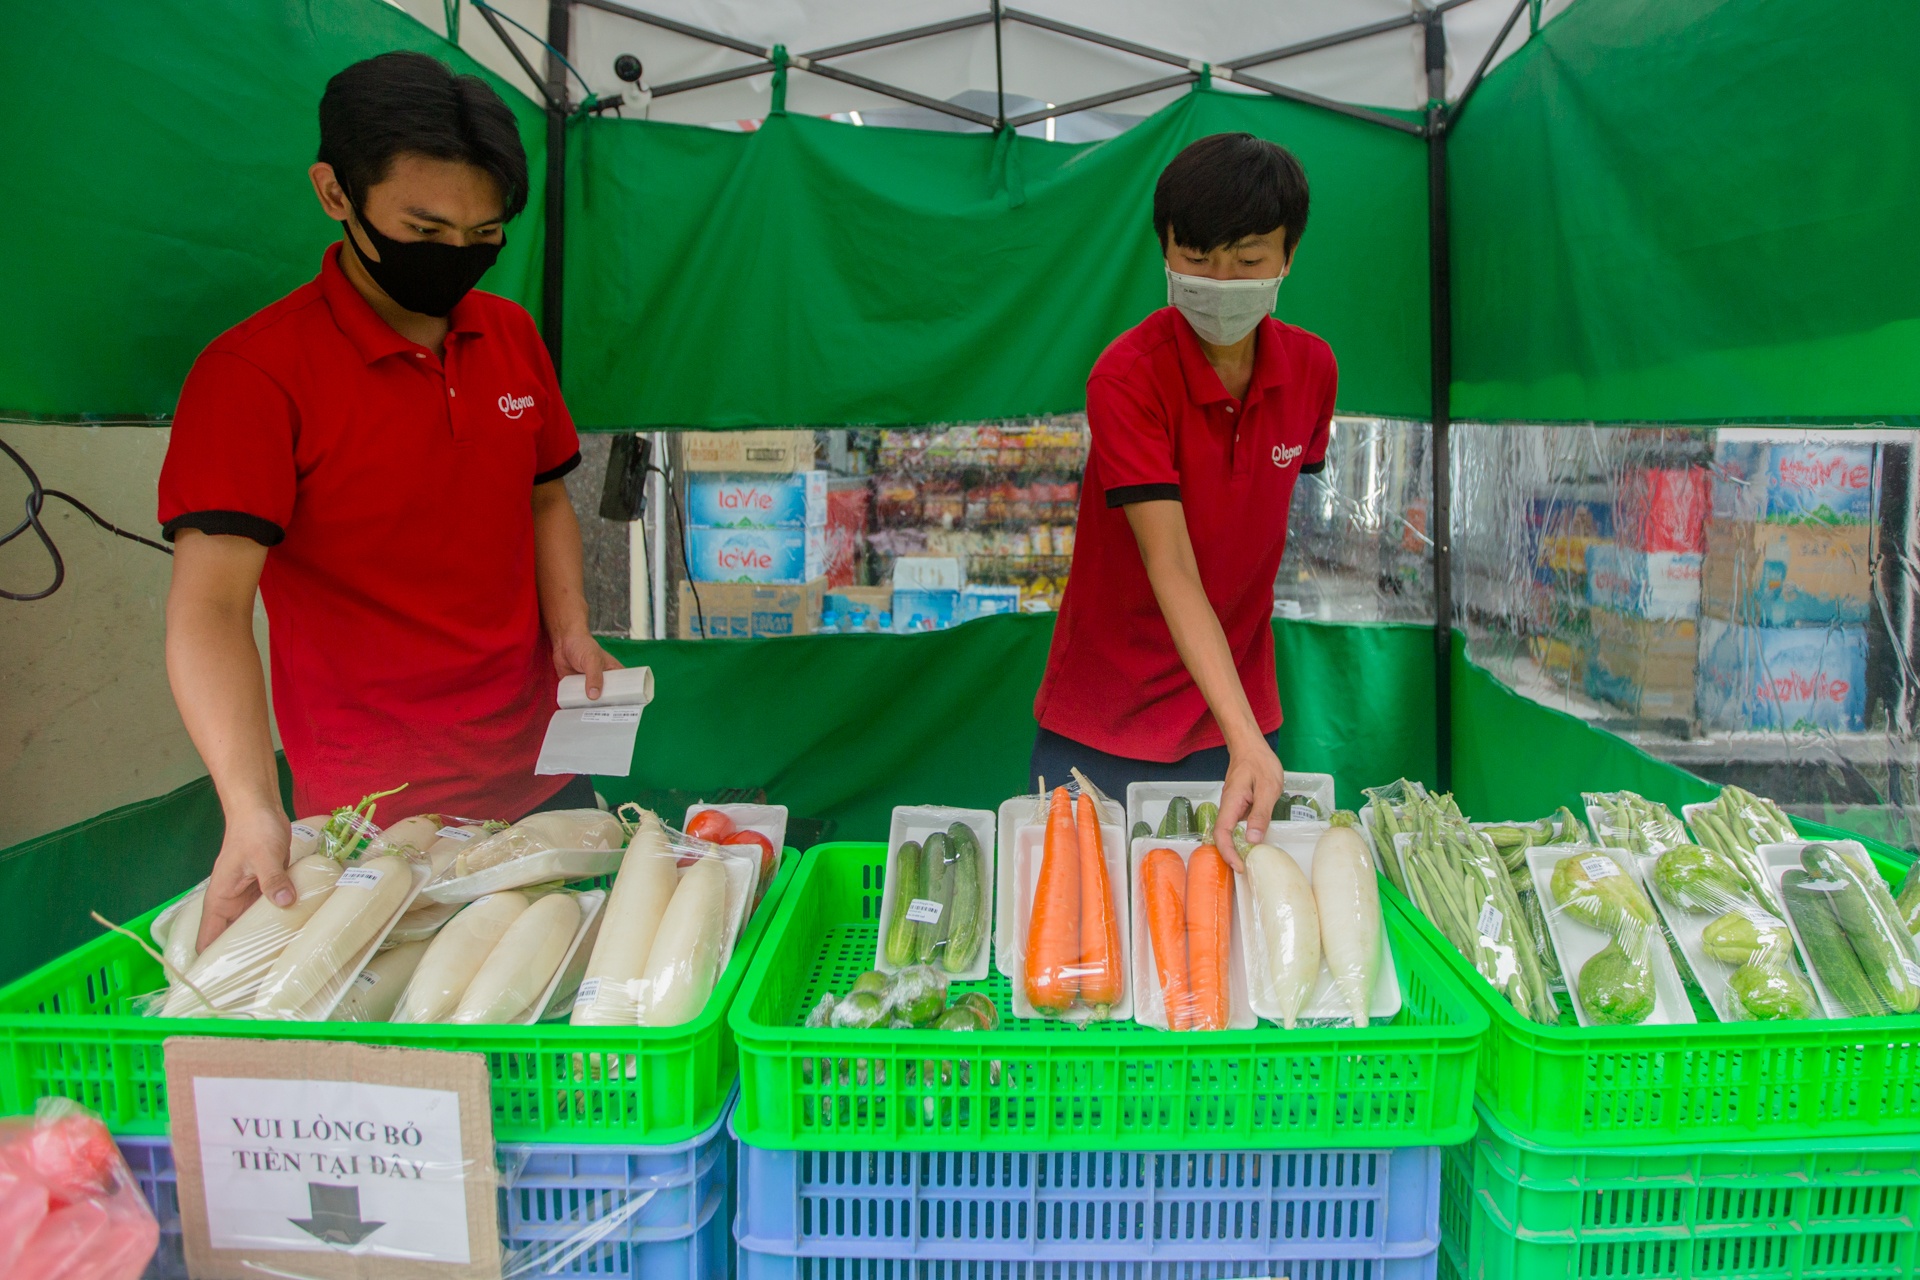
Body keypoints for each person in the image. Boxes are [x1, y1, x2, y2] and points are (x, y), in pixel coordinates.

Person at [159, 52, 617, 949]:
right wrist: (248, 806)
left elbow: (542, 498)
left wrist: (569, 622)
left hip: (546, 771)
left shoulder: (510, 334)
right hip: (375, 814)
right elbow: (209, 609)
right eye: (425, 228)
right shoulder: (254, 377)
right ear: (335, 193)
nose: (456, 257)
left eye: (484, 235)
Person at [1031, 132, 1337, 866]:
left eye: (1249, 259)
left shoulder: (1313, 369)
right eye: (1197, 258)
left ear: (1288, 255)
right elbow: (1169, 562)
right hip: (1106, 718)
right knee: (1090, 946)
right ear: (1165, 252)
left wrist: (1241, 731)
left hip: (1235, 713)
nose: (1222, 280)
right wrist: (1245, 734)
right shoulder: (1126, 378)